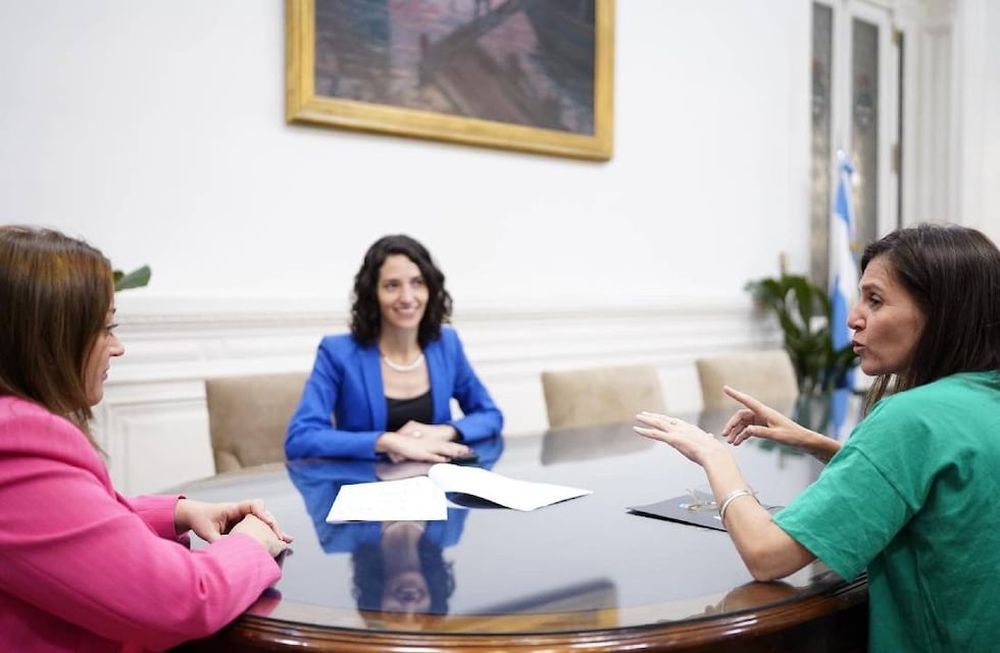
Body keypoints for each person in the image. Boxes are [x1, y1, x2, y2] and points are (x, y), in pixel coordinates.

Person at [634, 224, 1000, 652]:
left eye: (875, 300)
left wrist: (714, 455)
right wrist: (818, 443)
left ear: (941, 312)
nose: (853, 317)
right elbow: (944, 486)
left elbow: (768, 556)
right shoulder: (980, 400)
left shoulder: (912, 418)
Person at [0, 226, 293, 651]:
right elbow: (187, 599)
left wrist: (178, 512)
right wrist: (251, 543)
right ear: (46, 339)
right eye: (104, 329)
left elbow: (64, 526)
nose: (117, 347)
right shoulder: (17, 444)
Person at [286, 234, 503, 463]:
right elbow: (301, 438)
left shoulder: (446, 345)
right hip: (365, 487)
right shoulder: (337, 352)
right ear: (373, 294)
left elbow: (490, 415)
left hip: (438, 488)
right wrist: (386, 441)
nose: (407, 298)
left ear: (430, 289)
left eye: (417, 283)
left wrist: (444, 431)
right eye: (392, 286)